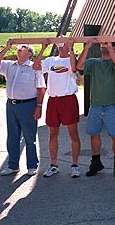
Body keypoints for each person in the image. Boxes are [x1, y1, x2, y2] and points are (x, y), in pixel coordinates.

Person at [0, 40, 46, 176]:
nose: (19, 49)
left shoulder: (35, 67)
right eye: (19, 47)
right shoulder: (10, 65)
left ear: (29, 53)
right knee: (12, 136)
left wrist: (39, 106)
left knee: (29, 137)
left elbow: (41, 89)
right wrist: (6, 48)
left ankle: (32, 165)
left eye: (24, 47)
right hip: (11, 105)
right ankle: (13, 165)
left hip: (28, 105)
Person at [33, 40, 81, 178]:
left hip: (68, 99)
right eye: (59, 41)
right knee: (53, 134)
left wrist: (70, 48)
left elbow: (73, 67)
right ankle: (53, 165)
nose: (61, 44)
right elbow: (36, 66)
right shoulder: (51, 60)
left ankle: (75, 165)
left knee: (73, 134)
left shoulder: (71, 59)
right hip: (53, 100)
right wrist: (43, 48)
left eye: (64, 41)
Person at [76, 40, 115, 179]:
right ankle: (96, 162)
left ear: (114, 47)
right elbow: (80, 67)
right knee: (94, 134)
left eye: (108, 44)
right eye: (102, 44)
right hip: (96, 105)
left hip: (112, 105)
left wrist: (110, 47)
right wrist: (87, 48)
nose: (104, 46)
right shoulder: (94, 62)